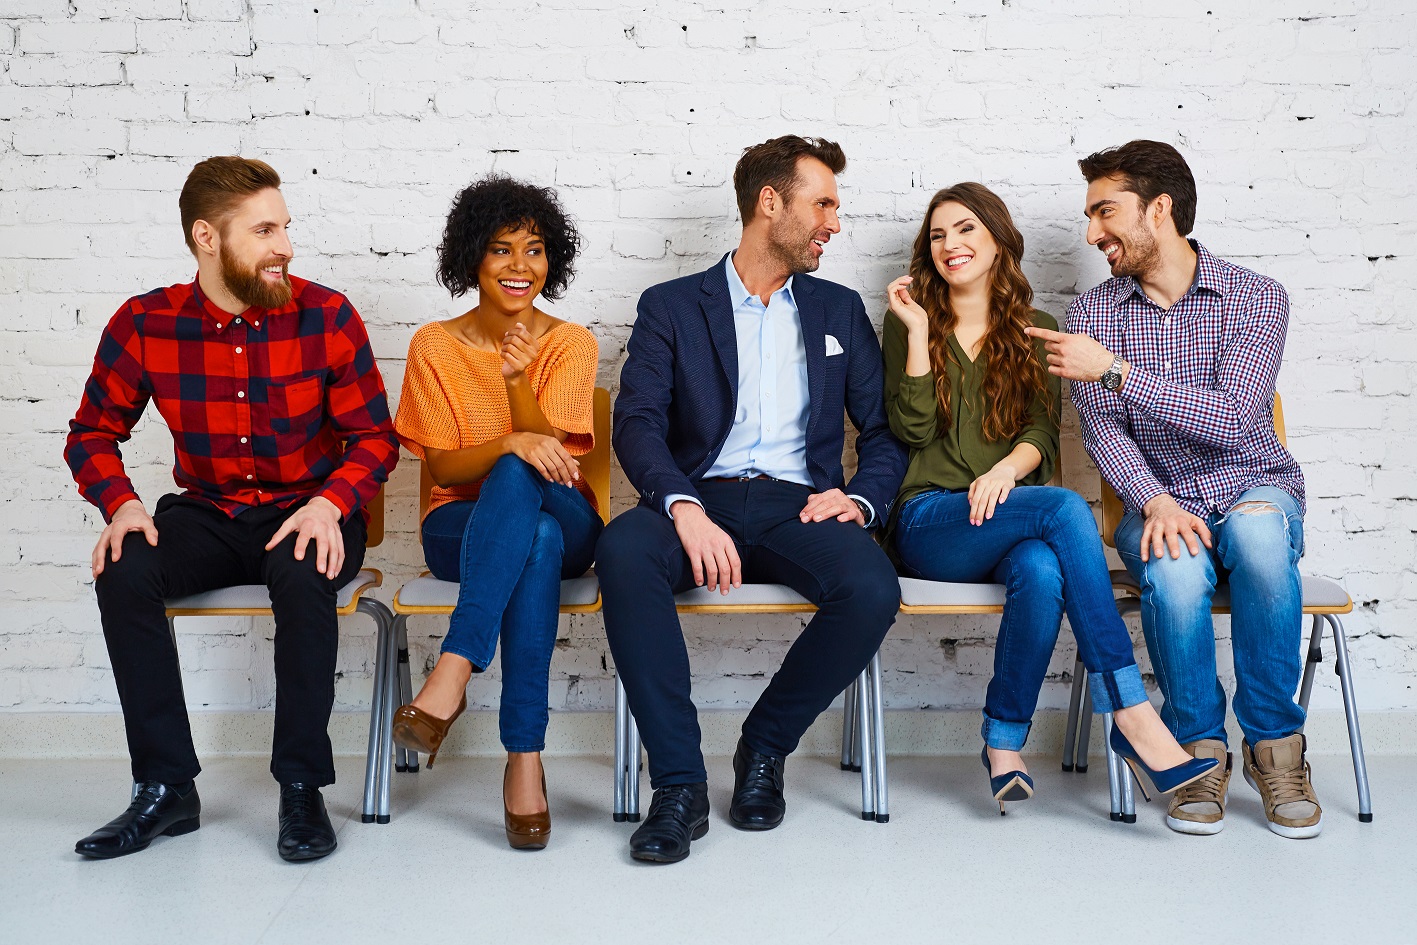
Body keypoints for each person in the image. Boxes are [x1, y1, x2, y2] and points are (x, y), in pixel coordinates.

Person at [64, 156, 399, 862]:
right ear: (207, 238)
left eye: (285, 227)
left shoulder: (327, 314)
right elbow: (92, 430)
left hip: (309, 506)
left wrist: (331, 503)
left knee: (304, 570)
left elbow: (375, 438)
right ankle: (165, 787)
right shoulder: (145, 322)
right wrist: (120, 505)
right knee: (124, 569)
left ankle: (302, 788)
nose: (286, 246)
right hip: (208, 512)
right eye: (266, 230)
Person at [596, 135, 909, 864]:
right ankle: (678, 784)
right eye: (822, 203)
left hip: (796, 504)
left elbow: (884, 430)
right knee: (623, 549)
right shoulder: (671, 305)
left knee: (869, 584)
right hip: (695, 496)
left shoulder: (835, 310)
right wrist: (680, 505)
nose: (834, 221)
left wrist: (859, 500)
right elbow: (636, 421)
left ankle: (763, 747)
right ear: (770, 203)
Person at [882, 182, 1216, 814]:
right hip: (931, 520)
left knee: (1040, 571)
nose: (950, 245)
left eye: (965, 230)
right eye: (937, 236)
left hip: (1010, 520)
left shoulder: (1039, 329)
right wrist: (921, 331)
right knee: (1065, 508)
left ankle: (1003, 742)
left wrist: (1005, 472)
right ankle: (1133, 713)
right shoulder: (907, 324)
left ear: (999, 239)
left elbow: (1039, 428)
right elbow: (912, 431)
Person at [1029, 140, 1320, 839]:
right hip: (1153, 499)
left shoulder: (1255, 297)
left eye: (1105, 211)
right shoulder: (1090, 315)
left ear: (1158, 209)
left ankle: (1276, 748)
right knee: (1178, 570)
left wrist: (1117, 372)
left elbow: (1233, 420)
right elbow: (1104, 438)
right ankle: (1196, 749)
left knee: (1253, 533)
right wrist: (1156, 502)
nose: (1092, 231)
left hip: (1253, 484)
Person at [389, 176, 599, 851]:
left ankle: (452, 670)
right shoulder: (433, 345)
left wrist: (515, 385)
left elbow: (552, 461)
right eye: (500, 250)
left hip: (568, 517)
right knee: (525, 531)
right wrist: (508, 439)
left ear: (551, 259)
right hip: (462, 527)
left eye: (533, 250)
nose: (518, 267)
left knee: (527, 485)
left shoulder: (570, 342)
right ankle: (525, 760)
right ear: (471, 258)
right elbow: (444, 470)